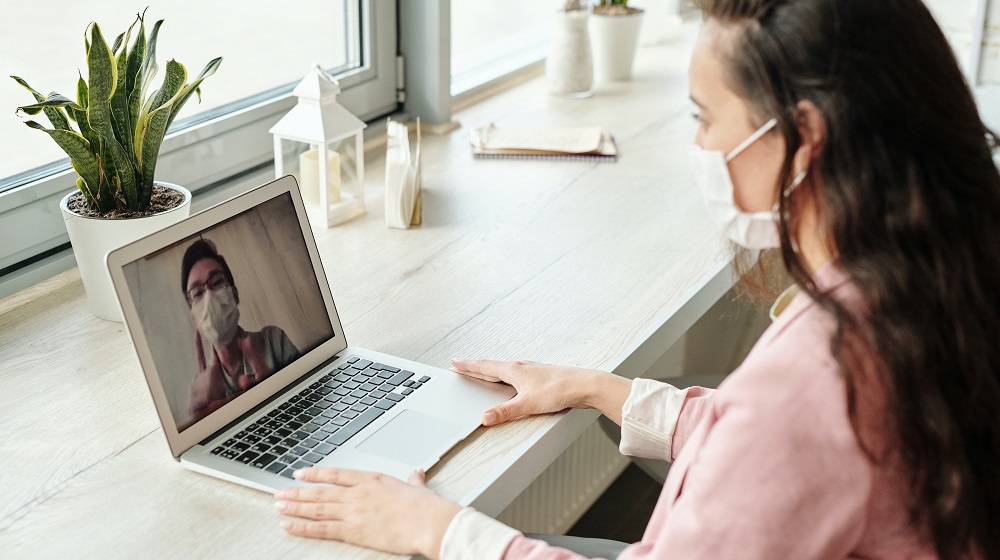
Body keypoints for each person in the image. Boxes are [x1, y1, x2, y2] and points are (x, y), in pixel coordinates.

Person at [270, 0, 1000, 558]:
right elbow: (785, 456)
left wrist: (441, 530)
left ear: (803, 140)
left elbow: (785, 431)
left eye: (706, 118)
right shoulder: (933, 280)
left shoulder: (820, 375)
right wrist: (602, 389)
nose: (698, 145)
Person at [182, 239, 300, 424]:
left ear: (235, 294)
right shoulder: (201, 390)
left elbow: (311, 398)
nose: (210, 297)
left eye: (217, 281)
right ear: (194, 317)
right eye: (197, 293)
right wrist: (199, 419)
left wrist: (275, 390)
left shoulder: (273, 341)